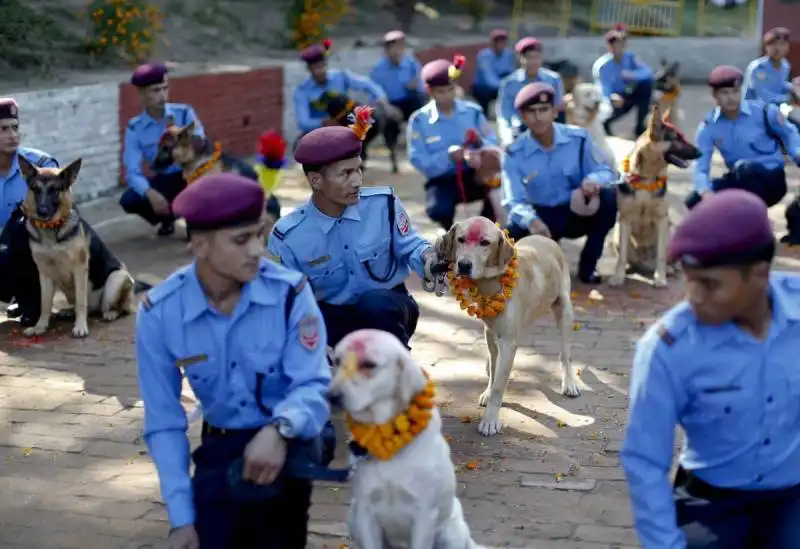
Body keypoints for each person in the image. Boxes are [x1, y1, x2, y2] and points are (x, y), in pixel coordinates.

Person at [136, 172, 331, 549]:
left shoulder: (290, 293)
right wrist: (180, 519)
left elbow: (312, 384)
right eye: (242, 240)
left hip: (290, 433)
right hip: (222, 441)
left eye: (259, 234)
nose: (258, 249)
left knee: (274, 529)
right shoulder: (160, 312)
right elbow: (163, 422)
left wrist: (278, 432)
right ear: (200, 245)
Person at [622, 189, 800, 549]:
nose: (694, 296)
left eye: (710, 284)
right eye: (689, 279)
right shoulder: (667, 347)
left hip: (792, 497)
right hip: (711, 501)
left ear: (760, 274)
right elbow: (644, 461)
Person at [267, 120, 439, 349]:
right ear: (316, 180)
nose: (357, 181)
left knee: (375, 305)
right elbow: (287, 301)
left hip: (387, 308)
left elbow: (410, 246)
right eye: (345, 173)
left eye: (359, 169)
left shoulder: (383, 205)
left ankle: (395, 368)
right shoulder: (288, 237)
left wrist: (428, 257)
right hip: (330, 320)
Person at [502, 82, 617, 285]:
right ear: (522, 117)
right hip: (542, 216)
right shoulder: (514, 153)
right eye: (531, 112)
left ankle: (588, 266)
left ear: (555, 112)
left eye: (544, 110)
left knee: (608, 198)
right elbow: (514, 200)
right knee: (507, 236)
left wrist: (593, 180)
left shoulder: (579, 139)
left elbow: (606, 171)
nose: (538, 117)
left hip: (577, 211)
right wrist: (532, 221)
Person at [687, 65, 800, 242]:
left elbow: (791, 132)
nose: (731, 98)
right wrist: (704, 192)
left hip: (771, 182)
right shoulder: (708, 127)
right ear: (714, 95)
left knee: (745, 168)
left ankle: (755, 229)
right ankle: (729, 233)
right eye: (725, 93)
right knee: (694, 201)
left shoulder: (764, 112)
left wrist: (797, 153)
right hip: (741, 179)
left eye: (735, 91)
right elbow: (701, 167)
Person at [407, 57, 499, 231]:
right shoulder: (419, 120)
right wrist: (448, 156)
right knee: (437, 210)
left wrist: (480, 152)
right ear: (430, 91)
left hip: (475, 174)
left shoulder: (473, 112)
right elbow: (418, 159)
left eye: (451, 89)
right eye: (441, 92)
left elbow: (491, 141)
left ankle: (486, 230)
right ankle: (451, 233)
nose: (447, 96)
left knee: (500, 188)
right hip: (443, 180)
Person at [120, 62, 205, 237]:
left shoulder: (183, 113)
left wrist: (181, 137)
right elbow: (132, 171)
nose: (163, 95)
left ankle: (195, 219)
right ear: (142, 94)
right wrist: (150, 193)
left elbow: (201, 144)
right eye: (156, 90)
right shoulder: (135, 128)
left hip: (192, 175)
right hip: (166, 178)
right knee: (130, 199)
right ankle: (168, 217)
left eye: (165, 89)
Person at [0, 97, 59, 326]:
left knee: (22, 229)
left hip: (44, 247)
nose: (12, 134)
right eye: (3, 129)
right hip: (7, 250)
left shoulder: (40, 166)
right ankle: (18, 294)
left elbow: (63, 213)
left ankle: (33, 301)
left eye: (15, 127)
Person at [292, 39, 401, 159]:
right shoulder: (302, 91)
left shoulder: (340, 76)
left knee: (373, 118)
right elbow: (303, 122)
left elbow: (367, 84)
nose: (320, 70)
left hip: (346, 124)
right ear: (309, 69)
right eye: (316, 67)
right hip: (323, 129)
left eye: (322, 65)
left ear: (326, 64)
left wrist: (383, 101)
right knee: (299, 145)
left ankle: (360, 150)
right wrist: (323, 123)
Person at [369, 30, 426, 173]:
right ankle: (393, 158)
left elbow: (421, 84)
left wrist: (415, 86)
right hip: (390, 104)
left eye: (400, 47)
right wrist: (387, 108)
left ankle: (424, 147)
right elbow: (374, 95)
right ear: (386, 50)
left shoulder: (411, 63)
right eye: (393, 47)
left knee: (422, 104)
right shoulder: (378, 69)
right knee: (385, 120)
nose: (397, 51)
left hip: (409, 100)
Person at [496, 37, 565, 146]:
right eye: (529, 57)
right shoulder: (509, 83)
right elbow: (504, 114)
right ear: (520, 58)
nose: (533, 62)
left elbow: (558, 109)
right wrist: (507, 137)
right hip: (520, 130)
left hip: (547, 128)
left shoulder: (553, 79)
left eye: (537, 57)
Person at [592, 25, 654, 137]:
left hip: (628, 91)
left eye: (620, 45)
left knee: (646, 86)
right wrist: (611, 96)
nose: (618, 49)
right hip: (612, 97)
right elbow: (602, 86)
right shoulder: (603, 66)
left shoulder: (630, 58)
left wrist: (632, 75)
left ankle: (640, 127)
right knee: (611, 109)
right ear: (609, 47)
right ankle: (605, 124)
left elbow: (647, 72)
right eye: (614, 46)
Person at [472, 29, 516, 118]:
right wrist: (505, 85)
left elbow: (510, 72)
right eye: (499, 41)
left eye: (503, 41)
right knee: (484, 99)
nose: (501, 44)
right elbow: (489, 78)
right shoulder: (484, 56)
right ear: (493, 43)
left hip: (500, 83)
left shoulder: (508, 54)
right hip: (483, 87)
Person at [743, 27, 793, 106]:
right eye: (771, 44)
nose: (776, 48)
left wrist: (793, 87)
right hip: (754, 109)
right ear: (765, 47)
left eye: (781, 44)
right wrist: (788, 98)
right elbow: (763, 97)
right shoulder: (758, 67)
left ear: (788, 47)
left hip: (775, 109)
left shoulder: (785, 65)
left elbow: (779, 84)